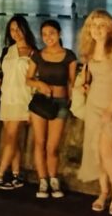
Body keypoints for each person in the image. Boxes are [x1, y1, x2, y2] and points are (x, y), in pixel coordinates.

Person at [78, 10, 112, 215]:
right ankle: (104, 191)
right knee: (97, 151)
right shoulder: (90, 49)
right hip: (94, 103)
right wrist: (85, 86)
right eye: (93, 25)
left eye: (101, 25)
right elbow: (89, 74)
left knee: (107, 149)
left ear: (109, 27)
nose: (97, 29)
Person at [0, 15, 37, 192]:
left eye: (18, 28)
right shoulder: (7, 51)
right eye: (12, 29)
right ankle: (17, 174)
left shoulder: (33, 53)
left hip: (23, 99)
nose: (15, 33)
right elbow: (2, 73)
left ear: (25, 29)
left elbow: (34, 80)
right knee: (12, 139)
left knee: (10, 139)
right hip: (6, 99)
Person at [26, 20, 77, 199]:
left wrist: (74, 102)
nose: (48, 37)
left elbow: (71, 82)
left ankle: (53, 178)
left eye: (52, 33)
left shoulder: (69, 56)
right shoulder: (38, 55)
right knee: (39, 142)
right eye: (45, 34)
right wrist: (39, 83)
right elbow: (28, 79)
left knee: (53, 146)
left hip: (60, 102)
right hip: (41, 101)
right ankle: (43, 180)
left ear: (59, 34)